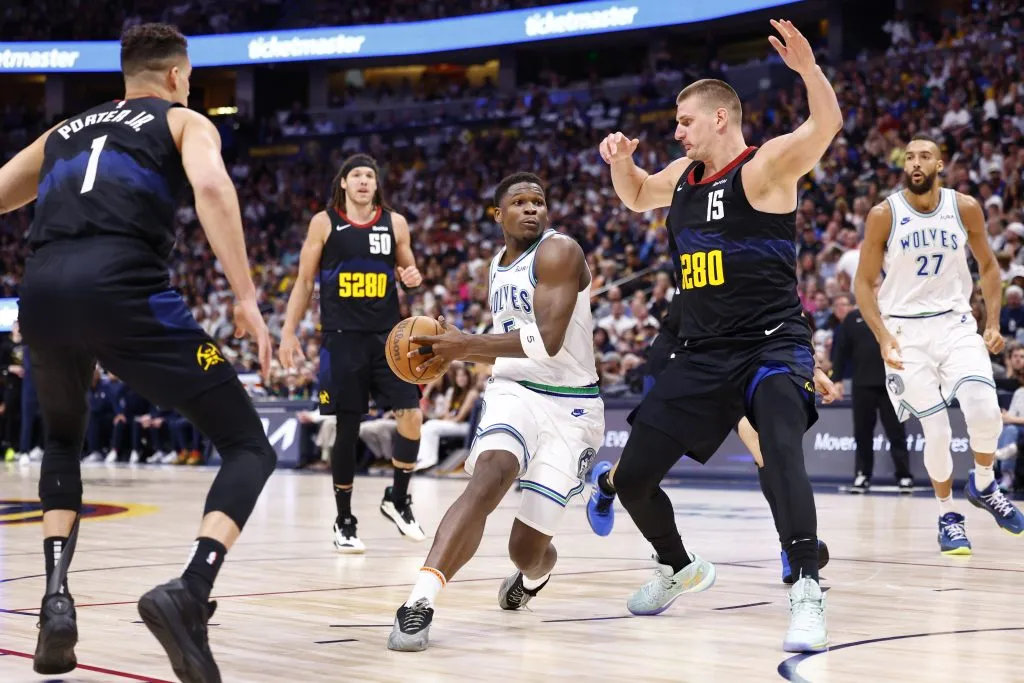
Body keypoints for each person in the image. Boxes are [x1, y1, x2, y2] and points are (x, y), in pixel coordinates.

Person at [0, 23, 278, 682]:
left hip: (40, 290)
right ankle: (190, 590)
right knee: (248, 444)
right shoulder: (184, 121)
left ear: (125, 74)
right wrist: (245, 296)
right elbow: (211, 189)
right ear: (179, 75)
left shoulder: (65, 130)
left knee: (64, 442)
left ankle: (55, 606)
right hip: (122, 285)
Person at [591, 20, 841, 653]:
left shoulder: (766, 166)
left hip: (769, 342)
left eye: (685, 121)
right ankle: (677, 566)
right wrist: (623, 164)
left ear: (722, 120)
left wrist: (808, 71)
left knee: (780, 444)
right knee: (633, 478)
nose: (676, 131)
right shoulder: (679, 174)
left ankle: (806, 585)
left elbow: (825, 127)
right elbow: (637, 196)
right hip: (701, 351)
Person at [385, 173, 605, 652]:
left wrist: (465, 345)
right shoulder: (495, 264)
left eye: (538, 202)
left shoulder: (559, 251)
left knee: (525, 551)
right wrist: (457, 350)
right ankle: (419, 601)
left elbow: (546, 342)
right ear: (497, 215)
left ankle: (533, 578)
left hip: (572, 408)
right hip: (515, 391)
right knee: (490, 474)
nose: (531, 209)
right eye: (520, 202)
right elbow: (510, 349)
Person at [586, 292, 837, 585]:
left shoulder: (760, 263)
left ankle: (790, 546)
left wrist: (811, 366)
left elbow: (785, 308)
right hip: (685, 358)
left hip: (740, 360)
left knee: (764, 447)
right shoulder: (701, 260)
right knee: (644, 464)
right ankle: (607, 484)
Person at [853, 135, 1024, 555]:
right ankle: (948, 516)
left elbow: (987, 265)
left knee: (985, 412)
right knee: (938, 429)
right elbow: (862, 282)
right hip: (906, 333)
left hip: (956, 323)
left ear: (940, 164)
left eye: (924, 156)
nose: (916, 162)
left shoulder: (963, 206)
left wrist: (993, 321)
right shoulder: (884, 214)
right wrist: (882, 336)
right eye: (909, 157)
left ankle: (983, 485)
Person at [279, 153, 426, 552]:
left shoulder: (394, 223)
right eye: (356, 175)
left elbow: (409, 273)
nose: (363, 181)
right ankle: (344, 520)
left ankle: (398, 498)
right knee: (346, 429)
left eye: (369, 176)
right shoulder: (324, 223)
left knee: (412, 416)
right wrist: (288, 332)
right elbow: (305, 280)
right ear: (343, 183)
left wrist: (412, 278)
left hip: (387, 338)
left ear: (377, 185)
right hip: (342, 339)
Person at [831, 288, 913, 494]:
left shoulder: (896, 315)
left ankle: (904, 476)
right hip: (862, 384)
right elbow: (841, 350)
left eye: (879, 286)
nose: (876, 290)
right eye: (872, 286)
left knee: (896, 433)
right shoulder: (853, 318)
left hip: (892, 384)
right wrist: (837, 379)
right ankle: (862, 475)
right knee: (862, 433)